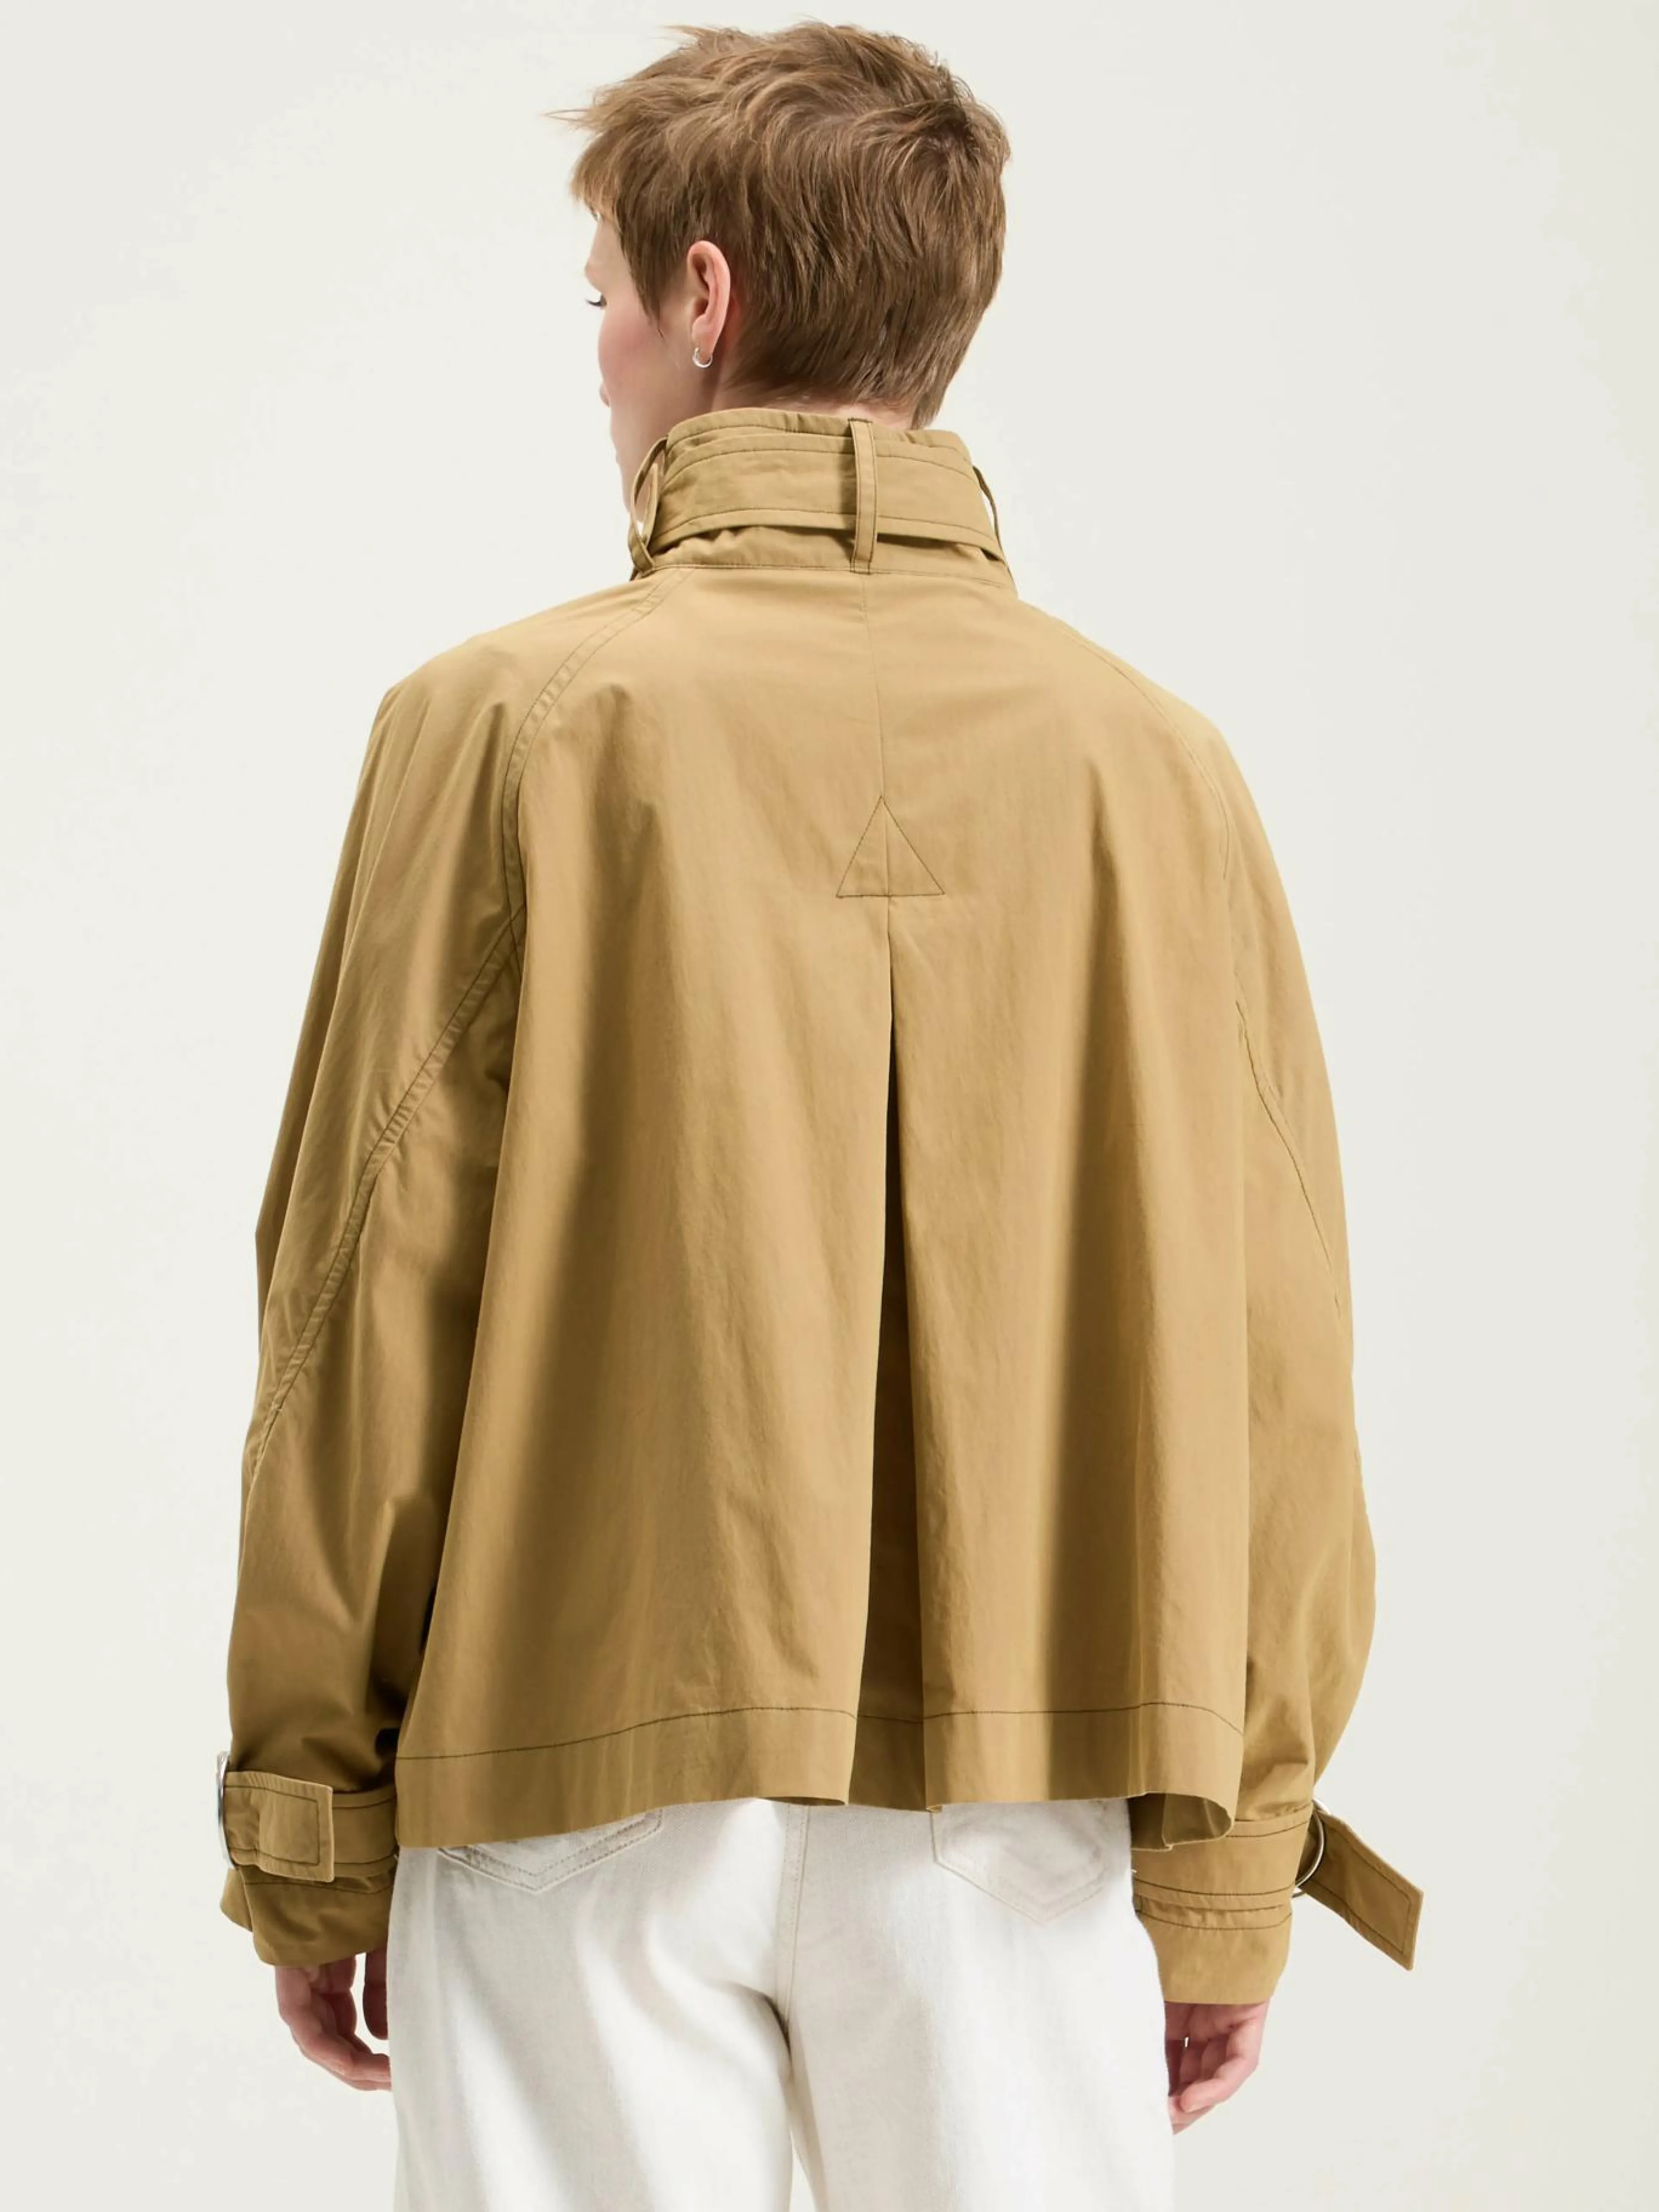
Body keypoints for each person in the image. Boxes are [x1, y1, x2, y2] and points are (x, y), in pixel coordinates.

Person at [214, 22, 1423, 2209]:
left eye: (602, 297)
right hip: (1027, 1787)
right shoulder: (1153, 767)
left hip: (565, 1770)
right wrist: (1231, 1855)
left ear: (706, 297)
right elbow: (1280, 1358)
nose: (597, 358)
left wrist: (315, 1815)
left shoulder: (499, 725)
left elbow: (361, 1300)